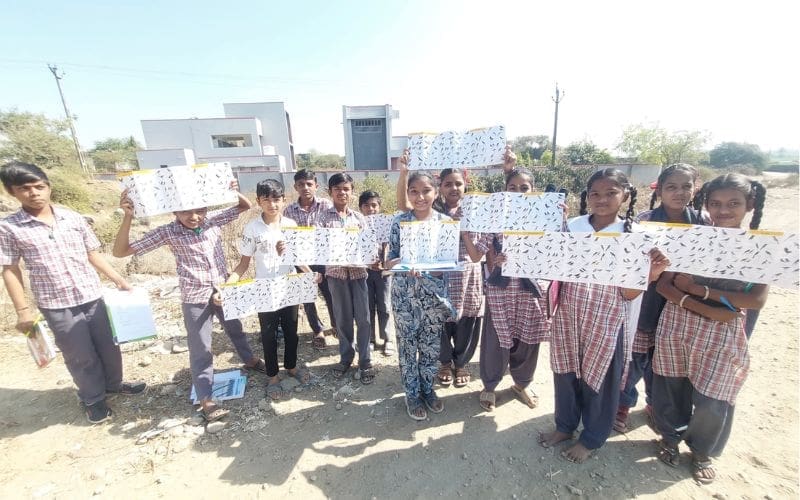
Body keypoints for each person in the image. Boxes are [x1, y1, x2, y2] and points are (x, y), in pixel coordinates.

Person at [538, 168, 669, 463]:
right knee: (565, 371)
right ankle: (564, 426)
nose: (602, 199)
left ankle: (592, 437)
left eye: (611, 193)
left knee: (602, 379)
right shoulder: (572, 227)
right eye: (595, 193)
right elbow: (552, 266)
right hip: (569, 312)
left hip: (609, 317)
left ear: (626, 195)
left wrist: (649, 275)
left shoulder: (636, 236)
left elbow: (628, 294)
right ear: (587, 196)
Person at [0, 161, 145, 424]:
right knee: (80, 354)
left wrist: (117, 279)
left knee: (109, 346)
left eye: (39, 186)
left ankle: (114, 384)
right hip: (56, 302)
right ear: (12, 192)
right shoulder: (9, 227)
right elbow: (10, 269)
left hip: (92, 295)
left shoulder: (72, 218)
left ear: (48, 187)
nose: (34, 193)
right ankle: (93, 399)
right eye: (25, 188)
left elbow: (92, 253)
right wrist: (23, 311)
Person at [113, 178, 264, 423]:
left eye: (199, 210)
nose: (193, 216)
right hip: (194, 297)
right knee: (201, 347)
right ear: (174, 211)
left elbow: (244, 207)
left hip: (223, 290)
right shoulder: (167, 232)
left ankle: (250, 360)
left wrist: (231, 190)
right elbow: (120, 252)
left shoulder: (213, 220)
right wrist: (128, 216)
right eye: (186, 211)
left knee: (236, 329)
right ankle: (206, 398)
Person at [652, 173, 768, 484]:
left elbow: (755, 299)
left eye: (734, 203)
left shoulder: (761, 248)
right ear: (706, 205)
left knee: (714, 397)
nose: (724, 211)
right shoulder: (688, 239)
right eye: (715, 203)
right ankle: (669, 437)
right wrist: (708, 307)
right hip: (679, 323)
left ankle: (702, 450)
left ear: (750, 205)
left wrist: (698, 292)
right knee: (671, 386)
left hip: (723, 333)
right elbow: (664, 284)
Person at [614, 163, 709, 433]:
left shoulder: (704, 223)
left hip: (684, 304)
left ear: (695, 188)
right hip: (648, 302)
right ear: (661, 189)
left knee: (665, 363)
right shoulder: (644, 220)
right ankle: (622, 404)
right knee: (634, 358)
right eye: (671, 187)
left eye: (685, 186)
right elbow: (632, 264)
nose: (679, 193)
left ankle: (656, 405)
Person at [461, 167, 551, 412]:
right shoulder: (495, 222)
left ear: (533, 192)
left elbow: (557, 254)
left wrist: (560, 220)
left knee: (528, 340)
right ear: (504, 192)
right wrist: (465, 230)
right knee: (496, 340)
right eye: (512, 188)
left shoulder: (545, 221)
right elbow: (475, 254)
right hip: (501, 291)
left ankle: (522, 384)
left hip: (531, 291)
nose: (518, 193)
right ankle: (489, 386)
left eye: (524, 188)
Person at [397, 156, 485, 388]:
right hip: (439, 276)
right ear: (439, 188)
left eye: (458, 183)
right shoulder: (433, 209)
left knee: (468, 320)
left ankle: (461, 364)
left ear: (465, 184)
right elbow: (404, 206)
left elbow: (478, 253)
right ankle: (444, 362)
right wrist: (404, 172)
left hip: (467, 275)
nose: (453, 188)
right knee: (440, 319)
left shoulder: (476, 211)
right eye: (448, 184)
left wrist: (461, 227)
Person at [227, 179, 318, 400]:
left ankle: (292, 366)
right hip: (264, 290)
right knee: (268, 335)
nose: (272, 204)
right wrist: (229, 285)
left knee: (291, 332)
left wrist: (310, 273)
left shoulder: (291, 225)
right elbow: (243, 263)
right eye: (266, 199)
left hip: (289, 288)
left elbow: (298, 259)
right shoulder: (252, 228)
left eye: (276, 199)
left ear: (283, 200)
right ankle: (273, 376)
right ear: (258, 201)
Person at [386, 168, 454, 420]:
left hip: (433, 298)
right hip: (404, 297)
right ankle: (412, 395)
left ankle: (428, 390)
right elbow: (388, 258)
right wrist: (399, 263)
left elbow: (448, 264)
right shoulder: (399, 222)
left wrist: (430, 272)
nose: (420, 197)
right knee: (407, 348)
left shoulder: (446, 224)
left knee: (429, 348)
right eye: (413, 191)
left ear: (435, 192)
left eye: (426, 191)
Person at [320, 173, 374, 383]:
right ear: (330, 192)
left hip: (359, 274)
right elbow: (319, 247)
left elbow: (368, 245)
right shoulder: (323, 219)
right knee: (342, 319)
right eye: (337, 189)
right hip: (336, 275)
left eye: (346, 189)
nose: (342, 193)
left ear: (352, 191)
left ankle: (365, 361)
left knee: (364, 319)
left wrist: (373, 256)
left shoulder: (359, 218)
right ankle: (345, 358)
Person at [284, 169, 336, 350]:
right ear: (295, 187)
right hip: (301, 261)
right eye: (301, 184)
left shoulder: (326, 205)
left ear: (316, 186)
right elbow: (287, 239)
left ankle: (336, 325)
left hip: (323, 259)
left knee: (330, 294)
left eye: (309, 184)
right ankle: (318, 331)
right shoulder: (289, 210)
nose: (305, 188)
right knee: (308, 297)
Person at [358, 190, 395, 356]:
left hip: (384, 273)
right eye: (366, 205)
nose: (370, 209)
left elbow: (393, 247)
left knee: (385, 306)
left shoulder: (387, 223)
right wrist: (367, 263)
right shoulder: (357, 225)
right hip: (365, 273)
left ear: (379, 207)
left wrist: (385, 263)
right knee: (367, 307)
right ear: (360, 208)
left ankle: (388, 339)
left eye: (374, 205)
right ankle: (371, 339)